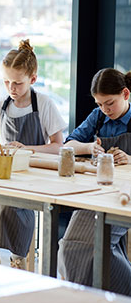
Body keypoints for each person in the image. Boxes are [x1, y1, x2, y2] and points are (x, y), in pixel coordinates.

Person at [0, 39, 66, 269]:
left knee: (16, 209)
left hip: (33, 176)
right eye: (6, 82)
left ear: (33, 80)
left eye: (17, 83)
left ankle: (18, 260)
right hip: (2, 173)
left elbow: (59, 146)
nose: (11, 88)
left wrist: (26, 148)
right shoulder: (1, 104)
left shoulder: (44, 104)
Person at [58, 68, 131, 296]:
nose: (105, 110)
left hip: (124, 197)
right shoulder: (97, 117)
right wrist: (89, 147)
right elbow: (67, 145)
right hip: (97, 193)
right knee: (71, 246)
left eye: (109, 103)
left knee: (93, 247)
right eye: (100, 104)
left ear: (126, 94)